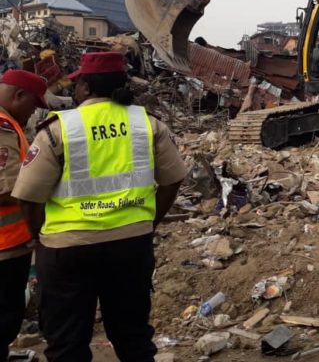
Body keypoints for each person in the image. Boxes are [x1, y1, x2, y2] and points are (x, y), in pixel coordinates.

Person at [12, 52, 187, 362]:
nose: (75, 90)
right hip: (130, 247)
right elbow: (173, 180)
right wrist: (149, 222)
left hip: (67, 249)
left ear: (87, 88)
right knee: (134, 339)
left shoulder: (58, 129)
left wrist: (39, 235)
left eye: (78, 84)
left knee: (67, 343)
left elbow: (27, 196)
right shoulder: (147, 125)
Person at [0, 70, 48, 362]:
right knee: (5, 315)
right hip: (5, 245)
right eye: (33, 105)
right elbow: (6, 189)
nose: (33, 112)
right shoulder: (3, 128)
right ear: (19, 95)